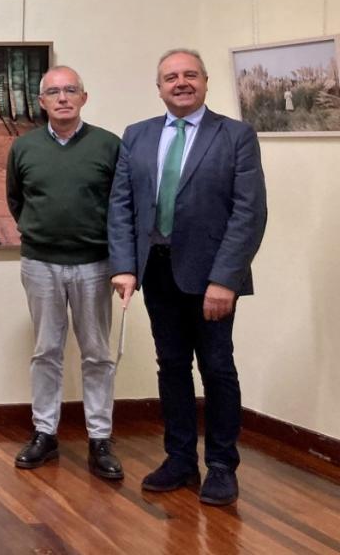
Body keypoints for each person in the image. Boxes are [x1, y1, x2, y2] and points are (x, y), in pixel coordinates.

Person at [108, 49, 267, 507]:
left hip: (212, 277)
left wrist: (226, 280)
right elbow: (122, 206)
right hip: (156, 272)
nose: (181, 83)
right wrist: (123, 265)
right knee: (172, 367)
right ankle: (179, 459)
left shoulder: (235, 135)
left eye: (189, 75)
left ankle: (221, 466)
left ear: (205, 82)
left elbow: (249, 212)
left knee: (217, 368)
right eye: (171, 77)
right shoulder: (137, 136)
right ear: (159, 87)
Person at [6, 66, 123, 479]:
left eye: (71, 90)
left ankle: (100, 438)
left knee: (97, 354)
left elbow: (121, 207)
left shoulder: (109, 145)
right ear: (42, 102)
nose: (63, 98)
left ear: (84, 97)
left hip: (95, 264)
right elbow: (16, 200)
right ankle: (44, 433)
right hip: (40, 264)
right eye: (53, 92)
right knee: (46, 352)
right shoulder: (24, 148)